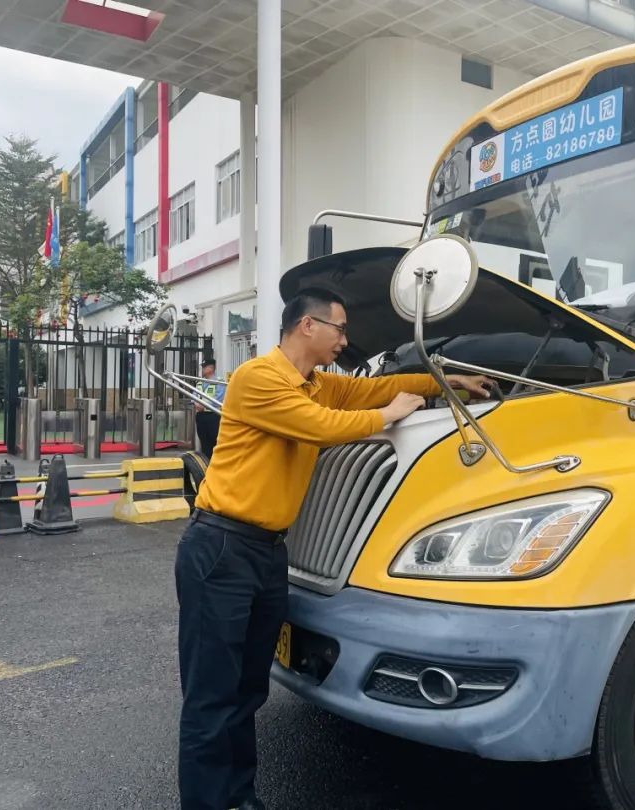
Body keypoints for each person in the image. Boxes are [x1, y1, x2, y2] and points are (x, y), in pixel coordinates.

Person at [175, 288, 490, 810]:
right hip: (222, 550)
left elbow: (375, 389)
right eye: (339, 329)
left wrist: (445, 380)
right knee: (212, 698)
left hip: (268, 553)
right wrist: (390, 413)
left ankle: (237, 797)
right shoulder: (259, 378)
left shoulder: (315, 384)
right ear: (307, 327)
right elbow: (323, 428)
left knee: (249, 691)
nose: (345, 340)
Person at [194, 357, 226, 459]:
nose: (202, 370)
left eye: (204, 367)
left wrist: (203, 405)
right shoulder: (199, 381)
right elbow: (193, 395)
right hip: (200, 416)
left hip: (213, 416)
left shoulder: (219, 382)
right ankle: (206, 467)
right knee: (204, 443)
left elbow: (219, 399)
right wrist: (196, 404)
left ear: (210, 368)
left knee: (215, 443)